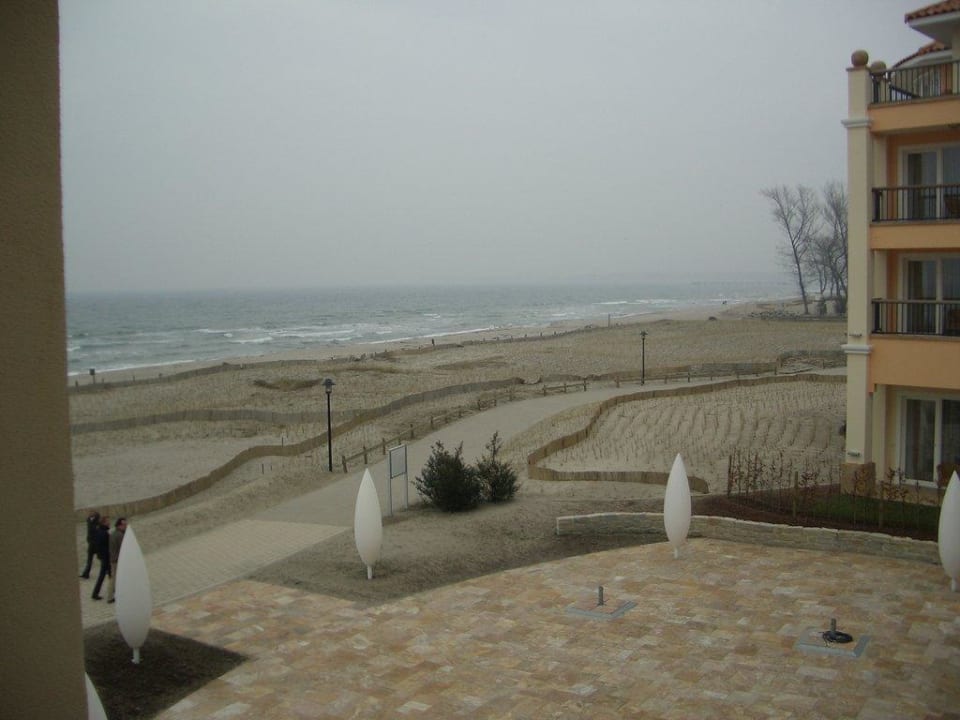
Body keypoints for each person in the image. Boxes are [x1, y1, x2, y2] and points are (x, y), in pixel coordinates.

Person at [90, 514, 111, 600]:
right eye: (108, 521)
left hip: (103, 557)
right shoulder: (103, 533)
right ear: (104, 523)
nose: (109, 523)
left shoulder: (99, 531)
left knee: (108, 575)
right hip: (106, 557)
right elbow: (104, 546)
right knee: (106, 575)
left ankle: (112, 590)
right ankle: (96, 593)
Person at [106, 517, 126, 604]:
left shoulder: (113, 534)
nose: (125, 526)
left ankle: (114, 592)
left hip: (113, 559)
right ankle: (110, 597)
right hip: (117, 560)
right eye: (124, 525)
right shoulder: (119, 535)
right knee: (114, 578)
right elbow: (123, 548)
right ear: (120, 525)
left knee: (114, 577)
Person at [79, 510, 100, 579]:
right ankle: (86, 573)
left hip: (96, 543)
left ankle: (108, 570)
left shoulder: (96, 522)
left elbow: (93, 530)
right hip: (91, 543)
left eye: (91, 512)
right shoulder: (89, 520)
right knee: (89, 560)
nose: (89, 513)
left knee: (103, 558)